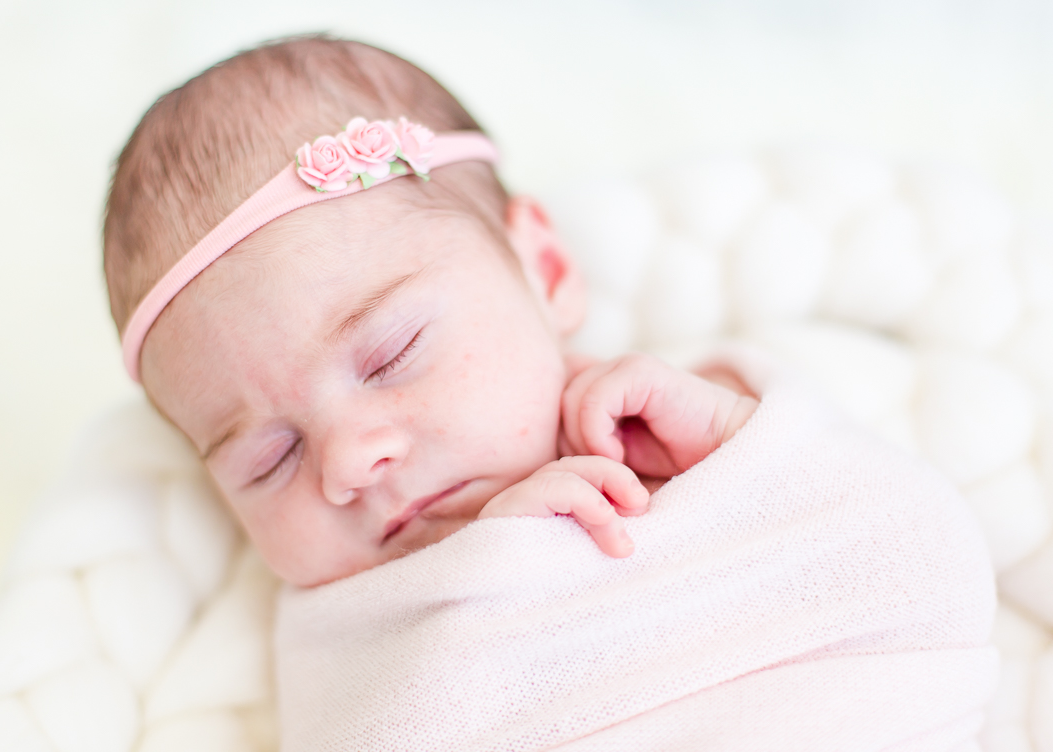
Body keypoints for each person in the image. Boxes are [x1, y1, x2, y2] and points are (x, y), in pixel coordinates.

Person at [103, 34, 758, 587]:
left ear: (546, 269)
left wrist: (741, 438)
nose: (348, 463)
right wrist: (495, 578)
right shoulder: (334, 629)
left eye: (393, 355)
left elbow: (853, 540)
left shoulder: (708, 420)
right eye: (268, 459)